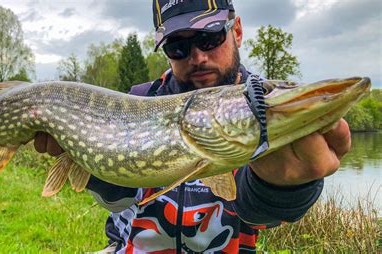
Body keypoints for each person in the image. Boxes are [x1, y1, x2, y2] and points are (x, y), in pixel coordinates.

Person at [34, 1, 351, 253]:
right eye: (178, 47)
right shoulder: (140, 99)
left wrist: (286, 187)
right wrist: (86, 160)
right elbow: (120, 200)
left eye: (210, 37)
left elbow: (258, 215)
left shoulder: (255, 105)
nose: (198, 57)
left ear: (236, 31)